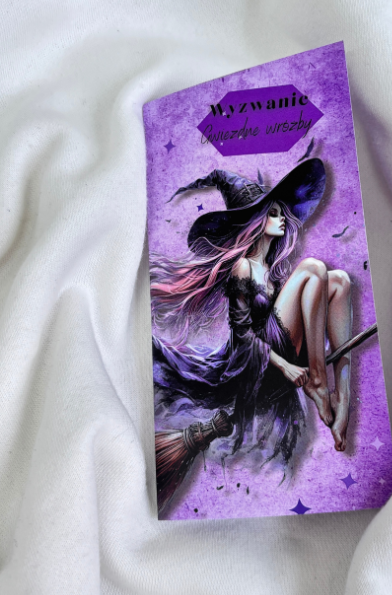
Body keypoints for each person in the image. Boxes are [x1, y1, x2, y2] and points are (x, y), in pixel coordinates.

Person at [151, 158, 353, 466]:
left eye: (281, 212)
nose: (282, 218)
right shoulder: (243, 267)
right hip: (260, 362)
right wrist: (285, 366)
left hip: (283, 346)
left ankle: (343, 397)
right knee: (313, 268)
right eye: (273, 213)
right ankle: (318, 380)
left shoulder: (272, 272)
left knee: (340, 281)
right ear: (256, 221)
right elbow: (243, 337)